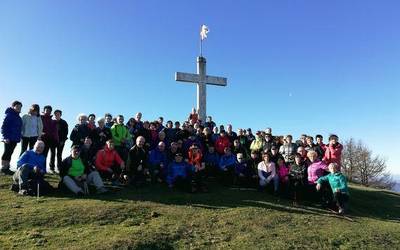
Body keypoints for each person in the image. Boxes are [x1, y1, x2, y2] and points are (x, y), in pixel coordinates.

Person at [1, 101, 23, 175]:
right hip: (8, 138)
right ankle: (3, 168)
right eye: (17, 106)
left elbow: (19, 128)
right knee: (7, 152)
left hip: (15, 138)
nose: (19, 108)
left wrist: (19, 137)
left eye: (20, 107)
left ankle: (7, 168)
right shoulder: (9, 114)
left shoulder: (18, 117)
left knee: (10, 152)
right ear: (13, 106)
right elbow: (4, 127)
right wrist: (5, 137)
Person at [41, 105, 59, 170]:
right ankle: (40, 168)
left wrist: (56, 140)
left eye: (49, 111)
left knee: (45, 154)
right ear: (44, 110)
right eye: (47, 110)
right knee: (41, 154)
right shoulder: (40, 118)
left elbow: (55, 132)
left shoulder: (52, 121)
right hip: (41, 139)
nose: (48, 112)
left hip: (49, 140)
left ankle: (44, 169)